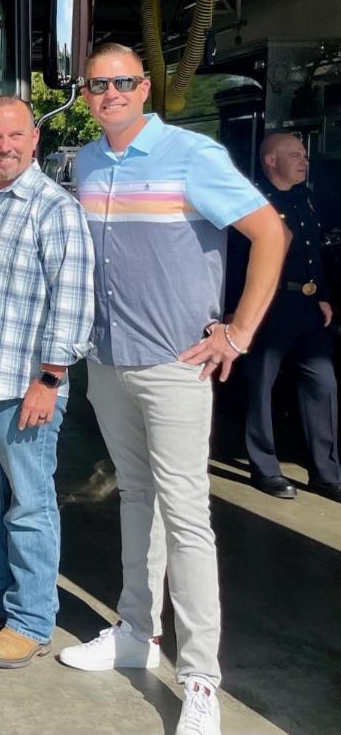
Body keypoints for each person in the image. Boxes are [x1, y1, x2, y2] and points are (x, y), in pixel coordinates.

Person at [60, 44, 288, 735]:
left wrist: (238, 335)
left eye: (122, 82)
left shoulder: (191, 155)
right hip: (108, 361)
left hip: (175, 366)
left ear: (146, 87)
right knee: (135, 499)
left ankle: (200, 680)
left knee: (187, 519)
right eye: (97, 85)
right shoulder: (88, 162)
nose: (109, 94)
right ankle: (135, 632)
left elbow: (269, 234)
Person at [0, 96, 94, 668]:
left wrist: (50, 378)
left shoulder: (55, 209)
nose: (3, 147)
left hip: (23, 383)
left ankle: (31, 618)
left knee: (29, 503)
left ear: (35, 140)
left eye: (14, 136)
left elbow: (72, 301)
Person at [226, 132, 340, 500]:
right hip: (268, 307)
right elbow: (238, 259)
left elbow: (312, 251)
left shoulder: (304, 199)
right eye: (294, 154)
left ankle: (326, 473)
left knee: (323, 385)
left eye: (304, 154)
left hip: (305, 307)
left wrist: (321, 295)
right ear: (271, 161)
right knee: (260, 387)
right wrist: (234, 310)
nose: (304, 160)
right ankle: (265, 468)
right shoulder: (253, 202)